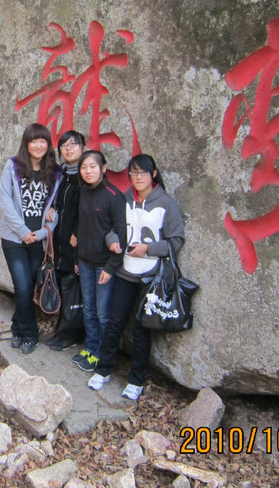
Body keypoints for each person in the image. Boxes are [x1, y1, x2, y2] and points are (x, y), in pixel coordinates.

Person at [88, 154, 185, 400]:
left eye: (142, 172)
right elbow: (111, 229)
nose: (137, 177)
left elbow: (176, 241)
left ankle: (136, 379)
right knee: (114, 322)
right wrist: (112, 242)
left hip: (151, 277)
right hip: (124, 272)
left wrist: (148, 249)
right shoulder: (123, 200)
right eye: (133, 172)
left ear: (153, 174)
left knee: (142, 329)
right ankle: (103, 369)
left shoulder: (166, 203)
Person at [0, 123, 60, 355]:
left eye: (42, 141)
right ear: (26, 143)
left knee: (32, 287)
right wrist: (23, 231)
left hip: (39, 240)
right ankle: (30, 334)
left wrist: (44, 232)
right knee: (23, 287)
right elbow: (5, 201)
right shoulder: (13, 166)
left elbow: (56, 208)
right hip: (14, 238)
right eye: (33, 141)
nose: (38, 145)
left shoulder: (56, 173)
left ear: (48, 144)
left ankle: (17, 327)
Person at [72, 149, 126, 372]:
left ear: (104, 168)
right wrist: (77, 257)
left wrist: (111, 267)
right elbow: (81, 227)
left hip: (104, 265)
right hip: (84, 261)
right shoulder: (84, 190)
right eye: (84, 167)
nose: (88, 171)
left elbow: (122, 235)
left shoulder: (114, 197)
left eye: (92, 166)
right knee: (89, 310)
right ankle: (91, 348)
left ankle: (103, 355)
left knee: (103, 313)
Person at [44, 130, 86, 351]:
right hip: (59, 240)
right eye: (64, 146)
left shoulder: (86, 175)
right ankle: (63, 331)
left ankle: (71, 334)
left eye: (73, 144)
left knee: (72, 288)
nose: (68, 149)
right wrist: (50, 208)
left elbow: (89, 209)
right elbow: (54, 200)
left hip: (75, 244)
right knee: (63, 286)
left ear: (83, 148)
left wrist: (78, 232)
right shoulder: (61, 176)